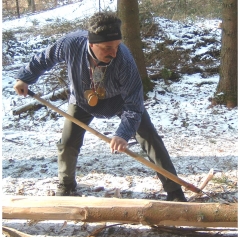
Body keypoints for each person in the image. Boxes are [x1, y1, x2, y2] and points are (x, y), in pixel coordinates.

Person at [14, 12, 187, 201]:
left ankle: (175, 191)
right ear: (91, 44)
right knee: (67, 142)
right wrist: (24, 77)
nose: (114, 53)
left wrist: (123, 133)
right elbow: (44, 59)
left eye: (117, 46)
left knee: (149, 137)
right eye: (107, 48)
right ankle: (66, 186)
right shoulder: (70, 44)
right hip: (82, 99)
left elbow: (134, 104)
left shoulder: (124, 60)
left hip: (121, 101)